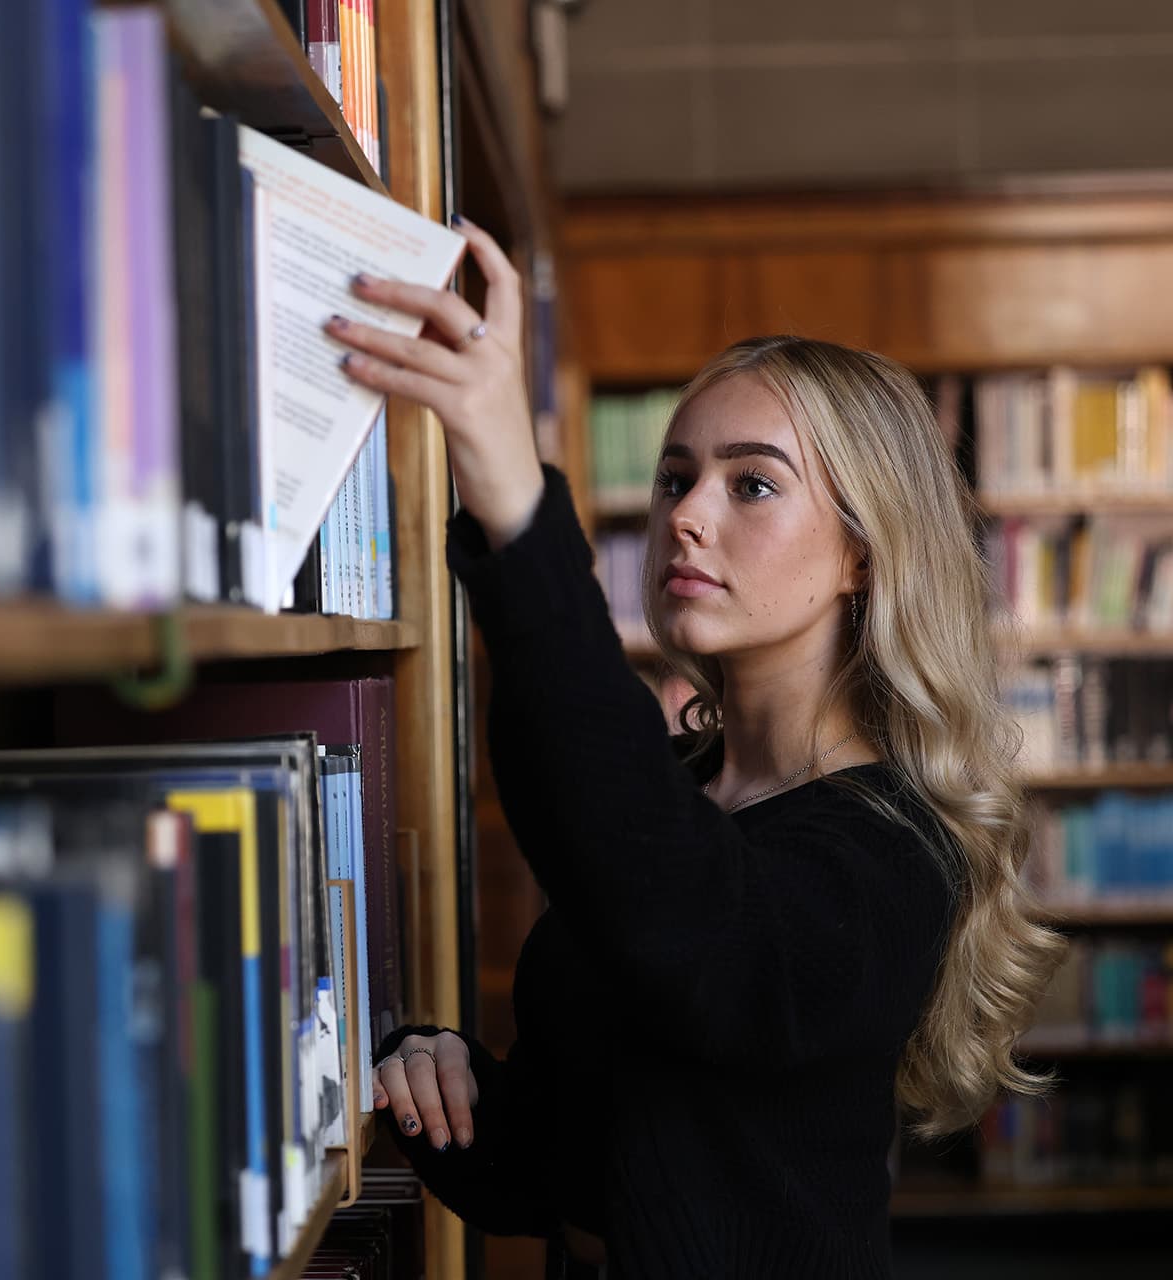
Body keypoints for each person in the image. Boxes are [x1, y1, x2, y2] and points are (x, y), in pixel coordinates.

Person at [322, 220, 1065, 1278]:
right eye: (677, 478)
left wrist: (519, 507)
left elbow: (686, 921)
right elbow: (547, 1169)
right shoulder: (673, 789)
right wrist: (434, 1078)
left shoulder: (896, 851)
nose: (687, 517)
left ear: (863, 550)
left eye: (750, 484)